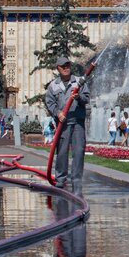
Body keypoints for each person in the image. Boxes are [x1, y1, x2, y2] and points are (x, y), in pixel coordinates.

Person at [45, 56, 90, 189]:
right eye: (63, 66)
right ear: (58, 68)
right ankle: (61, 179)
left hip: (77, 122)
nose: (66, 68)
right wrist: (58, 113)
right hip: (63, 124)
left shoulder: (79, 82)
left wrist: (79, 97)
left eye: (68, 66)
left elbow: (86, 98)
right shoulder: (53, 85)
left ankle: (76, 179)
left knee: (79, 151)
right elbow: (50, 103)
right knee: (62, 152)